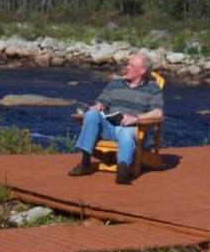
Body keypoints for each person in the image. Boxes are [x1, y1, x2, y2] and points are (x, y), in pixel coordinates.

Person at [68, 52, 164, 184]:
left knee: (126, 132)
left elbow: (158, 113)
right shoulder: (115, 84)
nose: (127, 68)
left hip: (133, 128)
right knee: (91, 115)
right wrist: (99, 106)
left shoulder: (153, 88)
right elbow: (101, 102)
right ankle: (85, 163)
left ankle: (122, 171)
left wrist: (136, 118)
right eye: (127, 65)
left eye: (131, 65)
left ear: (142, 70)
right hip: (110, 127)